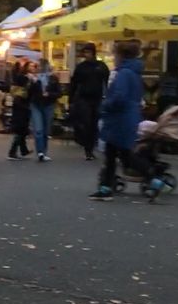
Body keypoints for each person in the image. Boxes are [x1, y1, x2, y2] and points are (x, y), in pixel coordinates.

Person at [90, 41, 164, 201]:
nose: (114, 58)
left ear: (121, 56)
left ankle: (107, 187)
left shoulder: (124, 73)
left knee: (118, 155)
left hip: (119, 119)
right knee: (120, 154)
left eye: (115, 55)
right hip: (128, 117)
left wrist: (105, 105)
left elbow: (119, 97)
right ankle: (108, 186)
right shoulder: (135, 73)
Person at [69, 44, 109, 159]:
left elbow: (107, 81)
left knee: (94, 124)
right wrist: (71, 99)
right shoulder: (81, 67)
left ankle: (90, 148)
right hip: (84, 98)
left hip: (97, 98)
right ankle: (87, 148)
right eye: (85, 52)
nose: (86, 55)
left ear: (93, 53)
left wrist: (107, 96)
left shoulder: (101, 66)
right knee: (86, 122)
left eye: (88, 52)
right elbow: (74, 83)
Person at [28, 59, 61, 162]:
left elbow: (59, 93)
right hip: (36, 105)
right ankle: (40, 152)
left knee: (46, 130)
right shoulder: (34, 78)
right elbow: (29, 93)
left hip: (49, 105)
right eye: (38, 66)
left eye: (41, 66)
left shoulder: (53, 78)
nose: (39, 68)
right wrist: (34, 82)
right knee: (38, 129)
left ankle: (44, 151)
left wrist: (49, 94)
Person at [8, 65, 31, 159]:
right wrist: (27, 108)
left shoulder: (16, 91)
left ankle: (23, 150)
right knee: (20, 132)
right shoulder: (21, 93)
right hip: (21, 115)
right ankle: (12, 152)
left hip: (19, 114)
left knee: (22, 132)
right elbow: (19, 104)